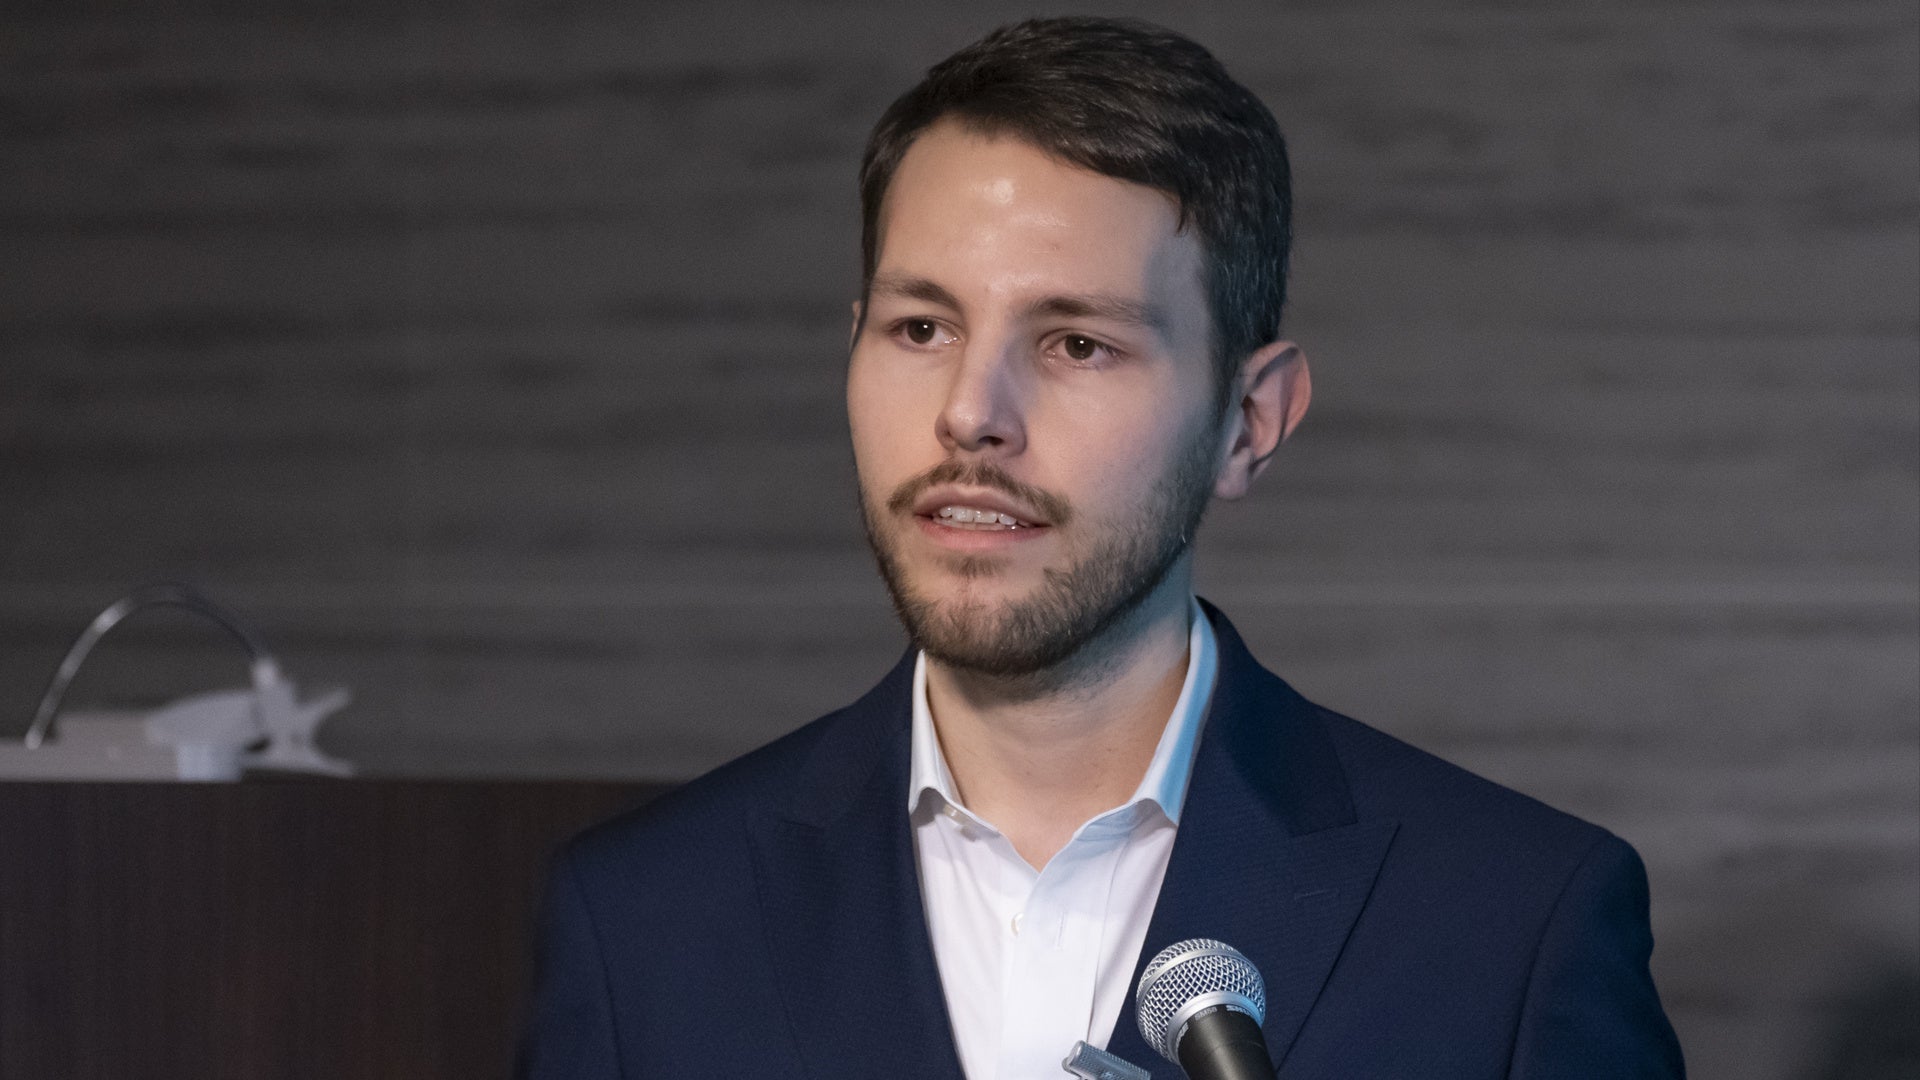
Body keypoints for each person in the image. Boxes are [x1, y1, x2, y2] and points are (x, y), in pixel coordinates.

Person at [517, 16, 1685, 1079]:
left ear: (1250, 422)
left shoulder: (1508, 927)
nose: (970, 413)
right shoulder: (643, 925)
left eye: (1077, 344)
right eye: (921, 328)